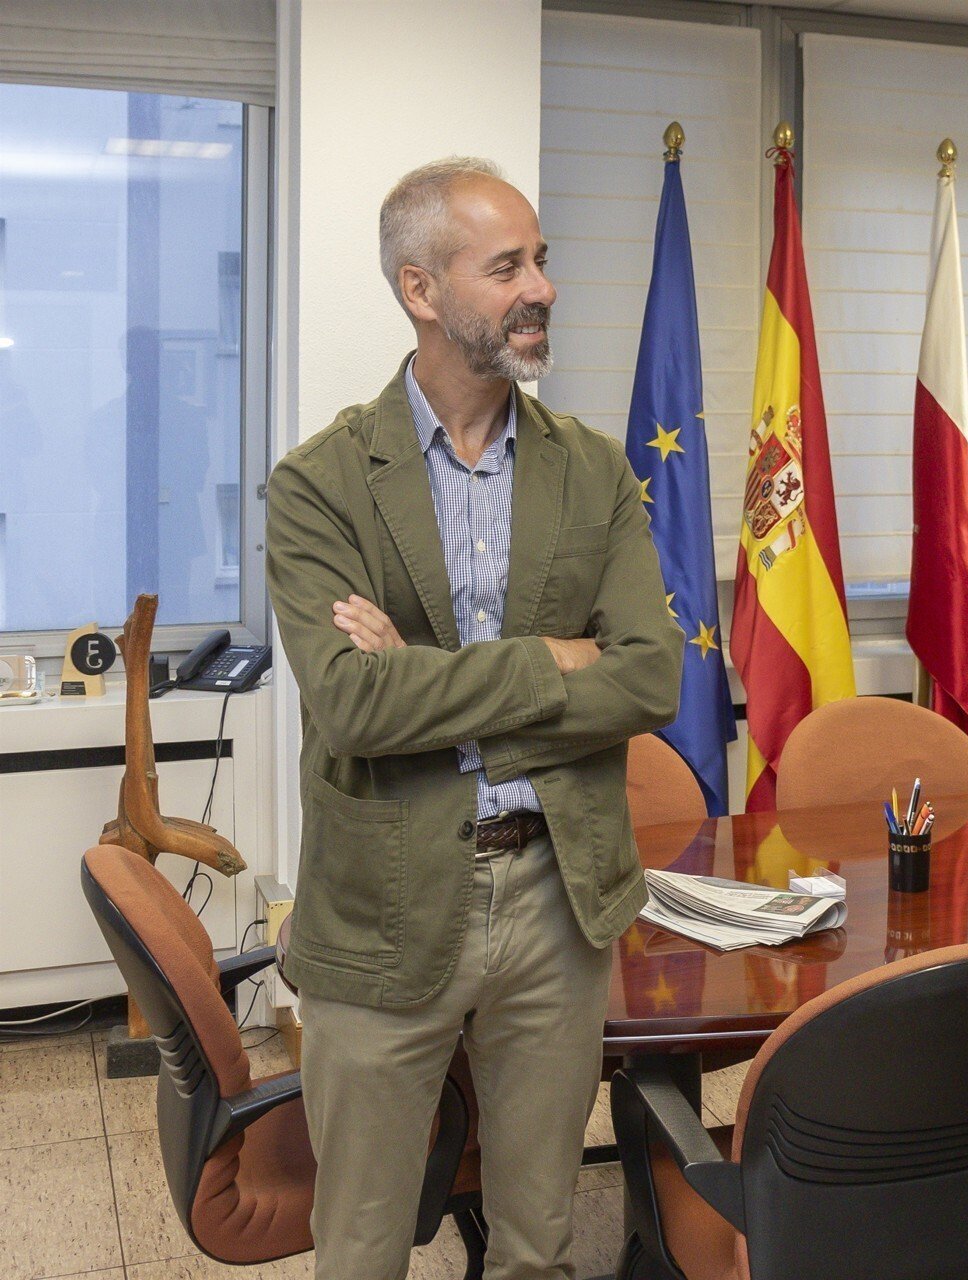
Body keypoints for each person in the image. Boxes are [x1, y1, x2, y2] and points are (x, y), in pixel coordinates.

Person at [265, 156, 682, 1279]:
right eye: (507, 267)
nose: (541, 287)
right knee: (362, 1245)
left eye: (540, 259)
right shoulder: (319, 482)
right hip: (382, 899)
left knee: (540, 1243)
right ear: (421, 289)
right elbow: (352, 702)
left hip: (559, 894)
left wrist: (430, 682)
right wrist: (552, 659)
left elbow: (651, 680)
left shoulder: (595, 471)